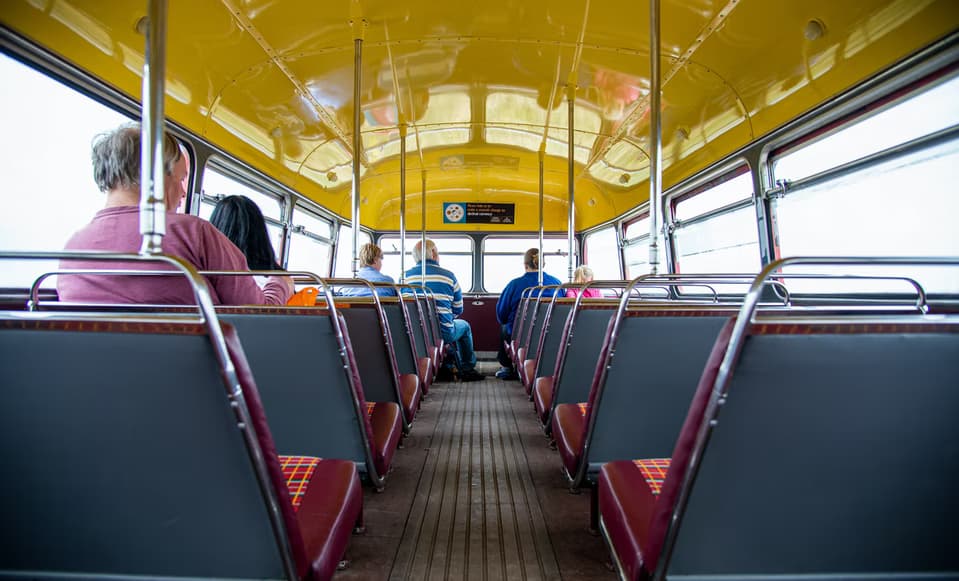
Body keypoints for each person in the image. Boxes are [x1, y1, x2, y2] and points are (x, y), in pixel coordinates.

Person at [57, 123, 293, 305]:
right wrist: (280, 283)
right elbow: (259, 312)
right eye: (180, 179)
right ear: (157, 175)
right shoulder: (193, 233)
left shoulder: (73, 247)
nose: (182, 192)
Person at [404, 239, 484, 382]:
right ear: (434, 254)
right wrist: (447, 318)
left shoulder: (405, 277)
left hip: (414, 333)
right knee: (464, 326)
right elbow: (458, 308)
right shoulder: (448, 276)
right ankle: (467, 367)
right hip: (444, 332)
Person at [494, 248, 562, 380]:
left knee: (504, 327)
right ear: (543, 264)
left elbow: (501, 315)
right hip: (551, 334)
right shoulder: (557, 284)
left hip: (520, 335)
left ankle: (507, 367)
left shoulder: (514, 285)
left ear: (525, 265)